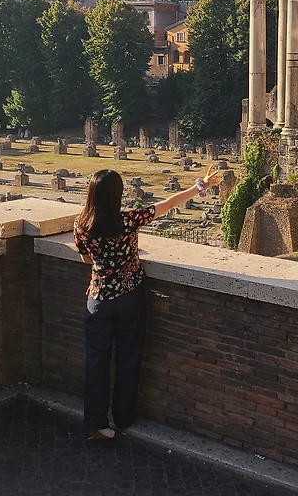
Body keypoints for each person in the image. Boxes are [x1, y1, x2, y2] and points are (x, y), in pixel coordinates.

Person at [74, 165, 222, 442]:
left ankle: (95, 424)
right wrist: (199, 186)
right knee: (128, 358)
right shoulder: (128, 221)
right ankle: (123, 418)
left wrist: (110, 258)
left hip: (98, 300)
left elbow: (86, 259)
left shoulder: (81, 225)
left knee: (96, 362)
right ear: (118, 194)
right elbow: (167, 205)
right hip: (129, 297)